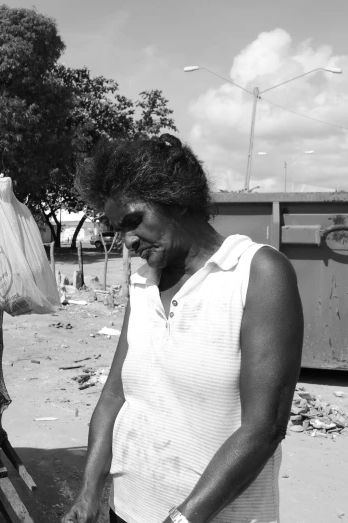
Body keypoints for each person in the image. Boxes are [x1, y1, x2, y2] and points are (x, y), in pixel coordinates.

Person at [62, 134, 303, 523]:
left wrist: (183, 518)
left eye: (134, 221)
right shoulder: (142, 284)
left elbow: (265, 427)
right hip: (128, 510)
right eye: (116, 229)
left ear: (176, 200)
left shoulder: (257, 273)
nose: (126, 240)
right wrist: (89, 494)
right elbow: (113, 397)